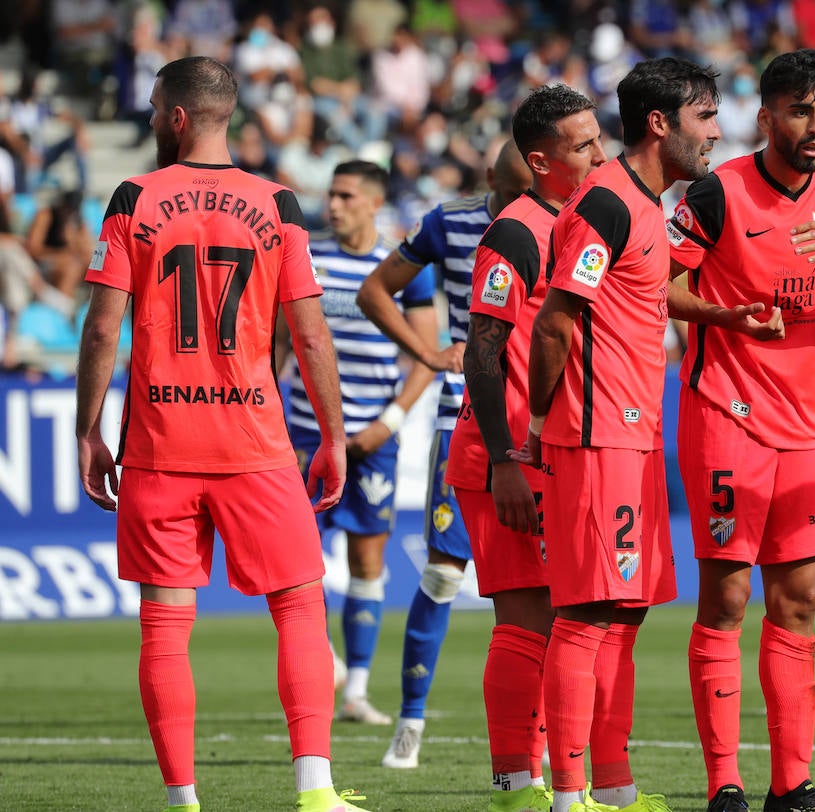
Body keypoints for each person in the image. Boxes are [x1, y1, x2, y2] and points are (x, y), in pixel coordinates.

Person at [75, 55, 367, 812]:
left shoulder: (134, 197)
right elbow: (311, 334)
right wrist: (333, 434)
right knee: (300, 608)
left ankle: (183, 800)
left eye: (151, 107)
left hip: (160, 446)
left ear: (175, 116)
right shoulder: (280, 204)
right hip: (256, 445)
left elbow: (104, 327)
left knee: (166, 628)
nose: (147, 119)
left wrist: (88, 430)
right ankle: (316, 791)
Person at [666, 48, 815, 812]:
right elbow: (660, 284)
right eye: (800, 110)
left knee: (799, 602)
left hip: (803, 433)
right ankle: (724, 783)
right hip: (725, 416)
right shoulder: (717, 193)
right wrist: (723, 315)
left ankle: (791, 785)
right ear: (767, 117)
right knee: (724, 602)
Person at [512, 56, 722, 812]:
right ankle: (568, 795)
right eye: (705, 117)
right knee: (589, 611)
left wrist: (723, 315)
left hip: (634, 431)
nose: (717, 132)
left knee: (625, 613)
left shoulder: (642, 205)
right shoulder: (605, 202)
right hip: (597, 431)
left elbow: (647, 292)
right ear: (660, 123)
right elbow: (556, 320)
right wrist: (540, 420)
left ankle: (615, 784)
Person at [355, 138, 531, 767]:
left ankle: (541, 736)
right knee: (442, 573)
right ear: (491, 178)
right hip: (467, 410)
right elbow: (376, 291)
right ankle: (410, 719)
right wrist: (429, 355)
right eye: (509, 193)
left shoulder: (564, 218)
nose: (519, 205)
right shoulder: (450, 222)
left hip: (542, 414)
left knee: (544, 584)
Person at [458, 84, 608, 812]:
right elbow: (481, 352)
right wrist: (504, 459)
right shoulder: (516, 232)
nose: (600, 154)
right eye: (583, 146)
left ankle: (562, 779)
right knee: (526, 623)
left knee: (568, 620)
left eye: (598, 138)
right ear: (541, 160)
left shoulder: (579, 226)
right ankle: (516, 785)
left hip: (558, 452)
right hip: (507, 457)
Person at [283, 159, 438, 726]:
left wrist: (389, 423)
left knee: (367, 558)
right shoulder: (307, 259)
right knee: (300, 561)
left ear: (374, 202)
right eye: (331, 194)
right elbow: (280, 342)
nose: (334, 204)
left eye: (347, 196)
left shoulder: (403, 267)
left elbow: (428, 355)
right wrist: (275, 415)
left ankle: (357, 692)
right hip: (304, 434)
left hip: (373, 437)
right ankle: (323, 669)